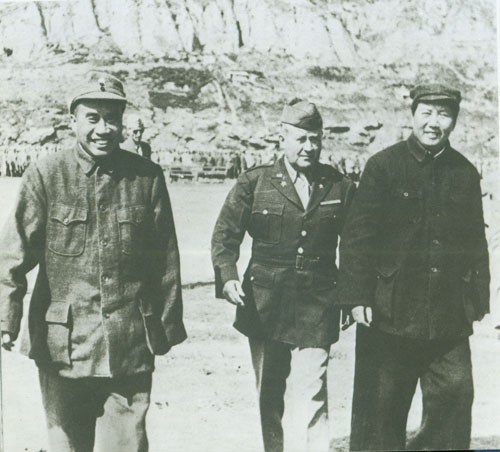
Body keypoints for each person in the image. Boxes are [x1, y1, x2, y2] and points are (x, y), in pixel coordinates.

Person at [0, 71, 187, 452]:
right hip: (63, 345)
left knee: (127, 446)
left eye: (112, 119)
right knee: (66, 445)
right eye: (93, 118)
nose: (103, 129)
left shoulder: (146, 177)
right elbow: (13, 254)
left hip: (129, 343)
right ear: (73, 121)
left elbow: (165, 261)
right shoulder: (47, 175)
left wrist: (165, 328)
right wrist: (6, 318)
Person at [337, 83, 490, 451]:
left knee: (455, 396)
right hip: (388, 312)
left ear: (454, 120)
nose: (434, 123)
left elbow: (475, 242)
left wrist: (477, 300)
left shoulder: (465, 173)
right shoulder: (383, 166)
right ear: (413, 115)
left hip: (447, 315)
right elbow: (357, 238)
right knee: (380, 410)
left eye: (444, 115)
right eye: (427, 113)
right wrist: (356, 297)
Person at [211, 98, 356, 452]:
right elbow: (225, 235)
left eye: (315, 140)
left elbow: (355, 245)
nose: (309, 147)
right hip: (265, 302)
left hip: (318, 301)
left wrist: (351, 294)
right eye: (301, 139)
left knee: (312, 389)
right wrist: (228, 276)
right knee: (269, 391)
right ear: (283, 138)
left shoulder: (338, 185)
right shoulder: (254, 182)